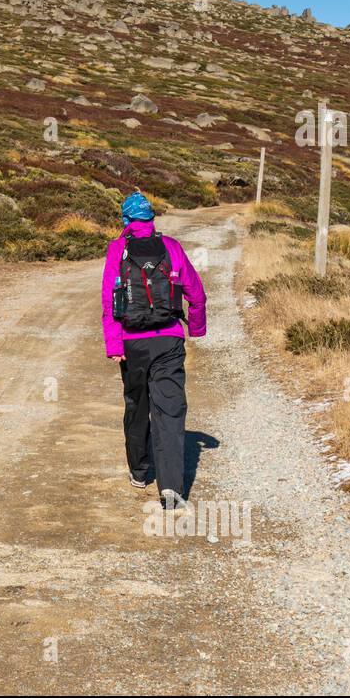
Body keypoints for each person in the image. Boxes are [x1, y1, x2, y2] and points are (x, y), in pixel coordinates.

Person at [101, 193, 207, 508]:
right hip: (169, 340)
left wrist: (114, 345)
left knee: (137, 406)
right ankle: (171, 490)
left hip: (132, 344)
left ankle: (140, 470)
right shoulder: (171, 247)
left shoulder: (117, 250)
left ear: (125, 220)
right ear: (151, 218)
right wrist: (196, 328)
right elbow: (196, 292)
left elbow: (111, 301)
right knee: (170, 411)